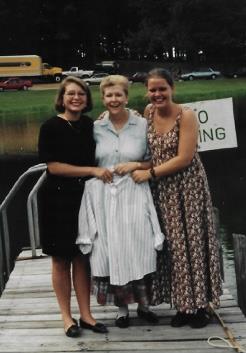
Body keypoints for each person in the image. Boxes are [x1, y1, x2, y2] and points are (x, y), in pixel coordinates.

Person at [131, 68, 222, 328]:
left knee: (193, 244)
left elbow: (184, 158)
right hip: (162, 190)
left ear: (172, 89)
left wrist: (149, 173)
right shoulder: (148, 113)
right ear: (147, 91)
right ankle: (183, 306)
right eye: (152, 89)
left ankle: (201, 306)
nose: (157, 94)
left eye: (162, 89)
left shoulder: (187, 115)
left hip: (187, 186)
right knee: (172, 247)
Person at [76, 75, 169, 328]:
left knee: (140, 246)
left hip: (135, 192)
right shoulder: (95, 128)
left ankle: (145, 305)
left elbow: (154, 160)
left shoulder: (141, 125)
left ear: (126, 97)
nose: (114, 99)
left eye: (118, 95)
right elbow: (90, 162)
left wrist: (135, 164)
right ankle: (122, 309)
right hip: (105, 198)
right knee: (112, 249)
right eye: (109, 95)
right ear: (103, 99)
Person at [38, 76, 111, 337]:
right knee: (61, 259)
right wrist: (92, 169)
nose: (76, 98)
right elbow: (53, 167)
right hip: (57, 198)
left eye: (81, 94)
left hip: (85, 198)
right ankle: (67, 318)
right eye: (70, 94)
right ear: (62, 97)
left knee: (82, 257)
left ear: (86, 99)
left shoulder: (91, 125)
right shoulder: (50, 127)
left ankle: (87, 316)